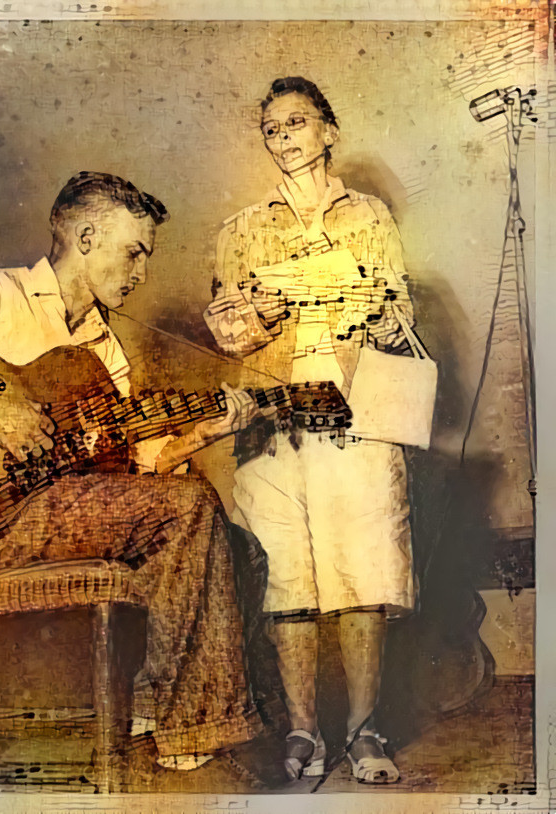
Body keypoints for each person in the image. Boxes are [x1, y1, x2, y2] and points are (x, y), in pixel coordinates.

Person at [0, 171, 265, 771]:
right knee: (191, 508)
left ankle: (168, 709)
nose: (142, 272)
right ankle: (193, 725)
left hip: (40, 517)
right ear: (87, 236)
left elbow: (129, 480)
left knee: (216, 522)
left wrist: (201, 434)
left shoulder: (104, 349)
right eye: (134, 252)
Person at [204, 77, 416, 784]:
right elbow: (226, 335)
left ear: (329, 130)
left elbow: (401, 314)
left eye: (298, 121)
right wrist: (258, 312)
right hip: (275, 419)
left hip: (359, 415)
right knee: (287, 574)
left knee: (362, 574)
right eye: (271, 127)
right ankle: (301, 730)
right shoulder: (240, 230)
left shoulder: (371, 216)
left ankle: (363, 731)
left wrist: (384, 315)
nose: (285, 135)